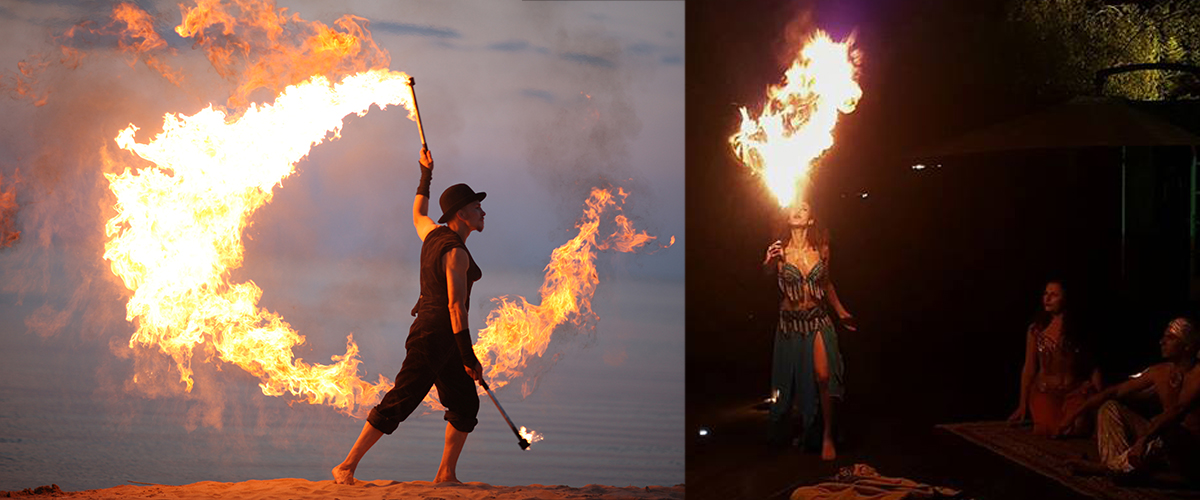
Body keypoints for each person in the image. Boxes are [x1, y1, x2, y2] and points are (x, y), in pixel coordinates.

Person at [333, 148, 487, 485]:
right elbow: (455, 307)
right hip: (434, 334)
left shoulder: (431, 233)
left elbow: (418, 212)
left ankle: (446, 475)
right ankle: (346, 466)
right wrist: (468, 355)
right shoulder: (456, 254)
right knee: (402, 399)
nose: (483, 212)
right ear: (460, 214)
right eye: (477, 207)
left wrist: (425, 174)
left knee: (465, 405)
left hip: (441, 337)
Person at [763, 200, 856, 461]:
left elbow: (826, 284)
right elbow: (766, 275)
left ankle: (827, 435)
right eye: (793, 206)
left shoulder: (822, 249)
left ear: (811, 219)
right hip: (790, 324)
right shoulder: (779, 250)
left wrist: (841, 312)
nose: (797, 209)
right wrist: (768, 262)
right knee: (791, 382)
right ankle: (804, 429)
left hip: (817, 320)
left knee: (824, 376)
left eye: (804, 207)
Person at [1056, 317, 1200, 484]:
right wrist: (1074, 413)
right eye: (1163, 336)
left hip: (1188, 448)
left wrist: (1142, 440)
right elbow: (1116, 391)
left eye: (1170, 337)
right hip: (1157, 439)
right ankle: (1120, 467)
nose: (1162, 341)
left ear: (1187, 345)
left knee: (1168, 430)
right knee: (1109, 407)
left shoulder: (1197, 374)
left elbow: (1177, 411)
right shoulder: (1160, 371)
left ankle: (1105, 469)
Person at [1007, 280, 1102, 436]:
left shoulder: (1078, 330)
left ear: (1066, 298)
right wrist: (1022, 403)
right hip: (1046, 392)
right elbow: (1029, 367)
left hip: (1074, 392)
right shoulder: (1036, 330)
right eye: (1045, 293)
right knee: (1050, 431)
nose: (1047, 298)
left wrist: (1100, 400)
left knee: (1077, 427)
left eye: (1054, 294)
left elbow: (1093, 367)